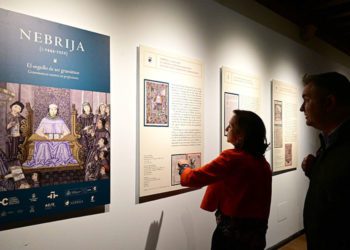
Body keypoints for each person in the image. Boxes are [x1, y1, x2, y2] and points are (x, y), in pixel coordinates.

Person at [179, 110, 272, 250]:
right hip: (255, 236)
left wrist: (184, 168)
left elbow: (195, 178)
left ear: (241, 135)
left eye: (231, 126)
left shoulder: (232, 158)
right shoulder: (263, 163)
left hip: (231, 237)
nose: (226, 129)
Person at [300, 72, 350, 250]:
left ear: (329, 103)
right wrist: (316, 171)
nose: (301, 108)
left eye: (307, 100)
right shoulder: (330, 144)